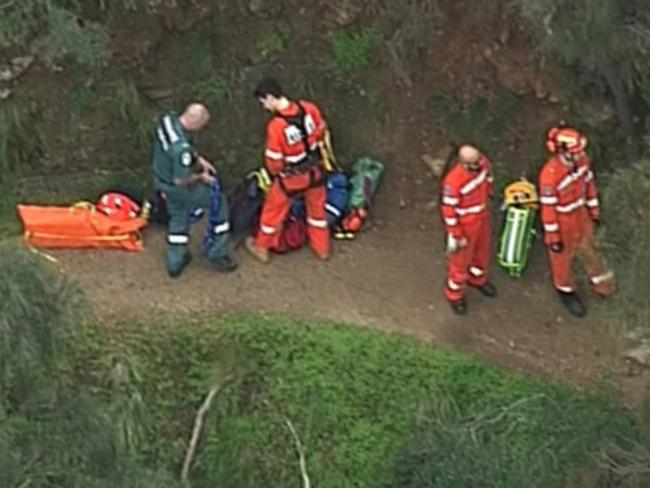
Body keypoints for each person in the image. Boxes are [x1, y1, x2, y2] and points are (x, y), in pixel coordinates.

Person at [245, 76, 330, 263]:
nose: (264, 107)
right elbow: (321, 129)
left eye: (263, 102)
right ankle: (322, 248)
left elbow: (274, 160)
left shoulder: (277, 126)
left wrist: (277, 173)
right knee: (317, 212)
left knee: (272, 212)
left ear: (269, 97)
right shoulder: (309, 108)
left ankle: (262, 247)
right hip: (316, 171)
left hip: (292, 178)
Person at [152, 103, 236, 277]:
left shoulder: (168, 121)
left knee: (178, 215)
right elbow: (180, 179)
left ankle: (175, 260)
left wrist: (199, 158)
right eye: (202, 125)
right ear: (194, 120)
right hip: (177, 185)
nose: (201, 129)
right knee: (219, 203)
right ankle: (217, 252)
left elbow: (185, 145)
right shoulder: (180, 151)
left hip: (161, 180)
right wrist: (201, 177)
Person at [538, 125, 614, 317]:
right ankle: (566, 290)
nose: (581, 155)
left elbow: (589, 187)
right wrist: (554, 237)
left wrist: (594, 212)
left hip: (581, 215)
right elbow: (548, 210)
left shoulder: (583, 163)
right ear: (563, 152)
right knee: (562, 260)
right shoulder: (550, 176)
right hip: (563, 222)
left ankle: (603, 285)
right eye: (576, 152)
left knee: (592, 250)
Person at [440, 145, 497, 315]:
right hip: (465, 225)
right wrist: (457, 235)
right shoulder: (453, 181)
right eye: (474, 163)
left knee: (482, 252)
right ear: (463, 164)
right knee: (459, 262)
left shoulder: (483, 164)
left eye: (479, 159)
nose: (479, 164)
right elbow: (448, 212)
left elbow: (489, 178)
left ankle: (478, 279)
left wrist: (489, 194)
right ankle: (454, 294)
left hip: (481, 217)